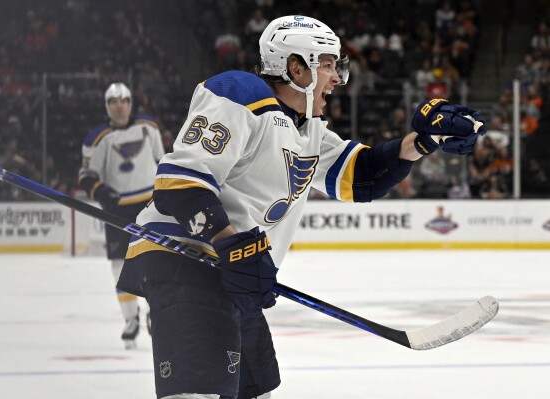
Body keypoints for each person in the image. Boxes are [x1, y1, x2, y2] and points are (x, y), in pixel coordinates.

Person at [117, 16, 486, 399]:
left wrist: (423, 141)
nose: (338, 77)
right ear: (296, 67)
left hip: (232, 273)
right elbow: (179, 185)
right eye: (328, 65)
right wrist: (232, 243)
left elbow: (362, 176)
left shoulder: (308, 130)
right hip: (187, 263)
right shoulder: (239, 92)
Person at [79, 82, 165, 349]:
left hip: (150, 206)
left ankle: (157, 312)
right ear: (107, 106)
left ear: (130, 103)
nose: (119, 105)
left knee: (155, 263)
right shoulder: (97, 138)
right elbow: (86, 176)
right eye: (114, 101)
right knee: (120, 266)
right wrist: (99, 190)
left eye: (124, 100)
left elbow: (164, 160)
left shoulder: (149, 128)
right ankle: (130, 320)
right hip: (117, 210)